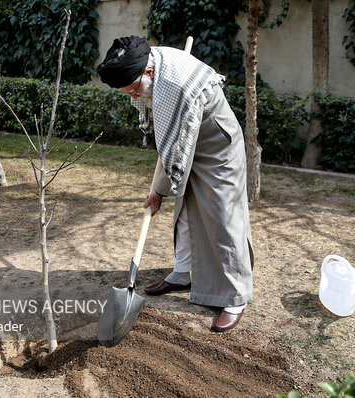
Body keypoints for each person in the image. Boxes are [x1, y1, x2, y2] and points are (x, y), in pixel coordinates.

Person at [96, 36, 253, 332]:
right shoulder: (153, 67)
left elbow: (178, 150)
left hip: (218, 150)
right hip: (193, 142)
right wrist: (163, 191)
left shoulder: (176, 88)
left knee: (223, 220)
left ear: (149, 72)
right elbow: (176, 148)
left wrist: (158, 191)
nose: (133, 98)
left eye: (133, 90)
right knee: (183, 213)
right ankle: (182, 273)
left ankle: (235, 297)